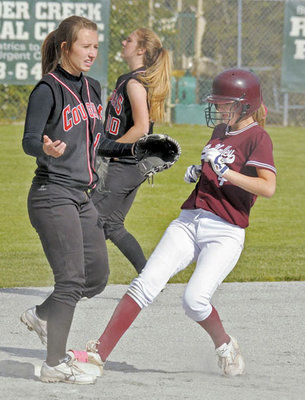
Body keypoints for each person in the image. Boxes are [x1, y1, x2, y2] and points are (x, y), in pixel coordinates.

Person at [70, 68, 277, 376]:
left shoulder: (258, 137)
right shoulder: (220, 130)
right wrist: (200, 172)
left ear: (245, 105)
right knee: (145, 284)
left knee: (194, 301)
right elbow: (216, 173)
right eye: (217, 102)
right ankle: (98, 353)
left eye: (225, 103)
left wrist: (227, 173)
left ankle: (225, 345)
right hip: (190, 219)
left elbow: (267, 187)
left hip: (225, 231)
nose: (218, 108)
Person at [20, 16, 138, 385]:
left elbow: (99, 142)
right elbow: (28, 139)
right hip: (52, 192)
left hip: (81, 196)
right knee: (70, 279)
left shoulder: (93, 88)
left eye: (96, 46)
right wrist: (44, 146)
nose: (92, 52)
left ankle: (42, 314)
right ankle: (54, 363)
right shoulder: (47, 89)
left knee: (97, 277)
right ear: (65, 47)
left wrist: (137, 149)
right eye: (85, 46)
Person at [91, 28, 171, 274]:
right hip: (132, 165)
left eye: (129, 39)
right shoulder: (132, 78)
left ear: (141, 50)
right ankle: (149, 277)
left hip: (124, 165)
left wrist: (111, 151)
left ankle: (76, 280)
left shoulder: (136, 82)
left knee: (88, 222)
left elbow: (141, 127)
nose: (123, 40)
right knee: (112, 225)